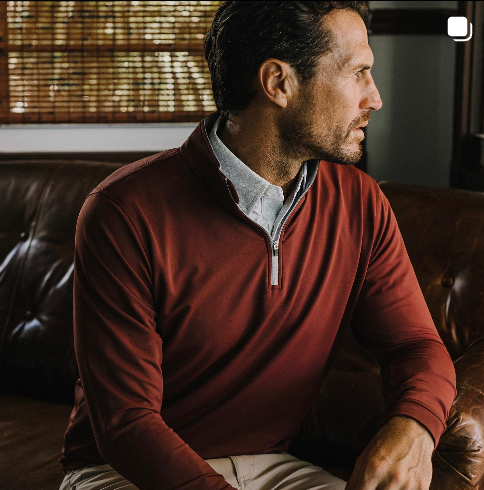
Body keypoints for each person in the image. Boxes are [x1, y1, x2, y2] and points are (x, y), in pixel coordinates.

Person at [59, 2, 456, 490]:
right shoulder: (123, 212)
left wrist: (414, 425)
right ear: (278, 83)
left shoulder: (359, 203)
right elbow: (127, 423)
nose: (374, 98)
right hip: (126, 474)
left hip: (270, 467)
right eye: (358, 73)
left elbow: (416, 345)